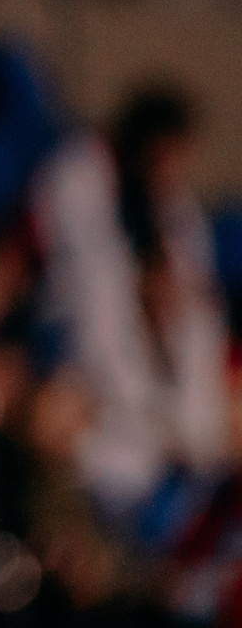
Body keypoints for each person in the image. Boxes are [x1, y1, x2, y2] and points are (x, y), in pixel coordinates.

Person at [33, 84, 228, 518]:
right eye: (166, 156)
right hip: (82, 374)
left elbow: (198, 299)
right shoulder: (77, 178)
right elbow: (92, 298)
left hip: (170, 425)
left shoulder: (174, 208)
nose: (172, 171)